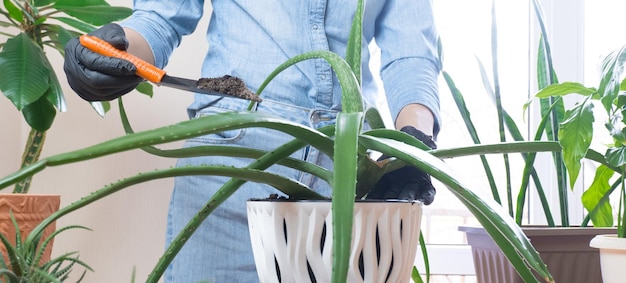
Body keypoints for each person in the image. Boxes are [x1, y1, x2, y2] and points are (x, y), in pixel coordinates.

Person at [63, 1, 441, 282]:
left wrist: (413, 140)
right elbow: (160, 18)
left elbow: (412, 52)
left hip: (350, 177)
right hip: (233, 165)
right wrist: (111, 51)